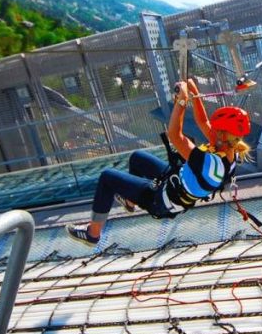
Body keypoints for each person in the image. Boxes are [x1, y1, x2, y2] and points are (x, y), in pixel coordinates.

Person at [68, 78, 252, 246]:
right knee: (137, 157)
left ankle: (93, 234)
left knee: (107, 177)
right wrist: (193, 92)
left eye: (216, 129)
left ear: (222, 135)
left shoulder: (212, 166)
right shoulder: (229, 149)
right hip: (174, 181)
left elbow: (175, 135)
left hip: (161, 201)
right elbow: (202, 121)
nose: (211, 131)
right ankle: (130, 201)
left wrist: (181, 102)